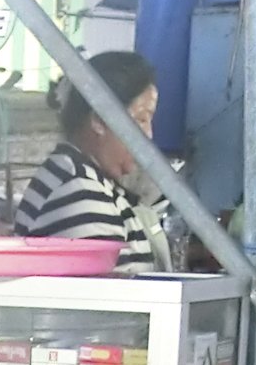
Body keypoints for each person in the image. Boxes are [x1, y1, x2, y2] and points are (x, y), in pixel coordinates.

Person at [11, 51, 160, 273]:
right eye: (141, 119)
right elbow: (107, 303)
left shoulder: (76, 175)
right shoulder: (82, 192)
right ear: (99, 120)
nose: (148, 134)